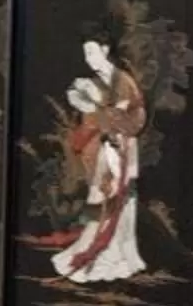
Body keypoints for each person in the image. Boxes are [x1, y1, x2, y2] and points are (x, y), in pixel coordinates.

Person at [54, 40, 147, 283]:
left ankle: (118, 255)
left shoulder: (123, 80)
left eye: (93, 52)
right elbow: (92, 121)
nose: (89, 59)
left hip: (122, 147)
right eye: (86, 55)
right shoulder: (95, 84)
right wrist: (96, 110)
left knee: (121, 197)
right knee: (102, 197)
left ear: (105, 51)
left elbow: (135, 116)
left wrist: (111, 114)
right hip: (107, 148)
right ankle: (96, 251)